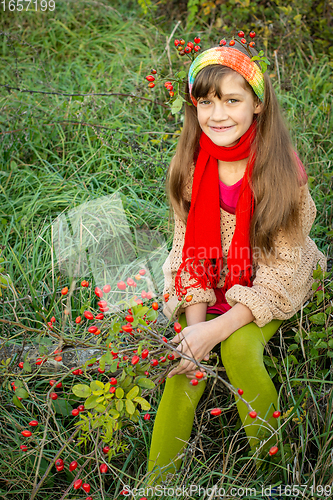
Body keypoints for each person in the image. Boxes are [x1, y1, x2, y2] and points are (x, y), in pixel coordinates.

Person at [147, 36, 327, 483]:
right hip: (215, 280)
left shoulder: (282, 171)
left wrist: (218, 328)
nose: (218, 114)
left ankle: (276, 473)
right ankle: (155, 485)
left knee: (239, 349)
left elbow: (281, 268)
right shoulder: (191, 165)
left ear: (257, 104)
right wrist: (196, 325)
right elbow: (186, 253)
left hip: (274, 279)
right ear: (193, 106)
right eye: (205, 102)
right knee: (183, 363)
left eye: (232, 99)